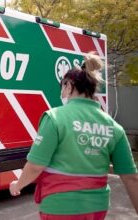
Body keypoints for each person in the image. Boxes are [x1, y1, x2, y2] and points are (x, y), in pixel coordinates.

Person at [9, 53, 138, 219]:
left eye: (62, 87)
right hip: (96, 208)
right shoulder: (114, 127)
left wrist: (17, 185)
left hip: (60, 206)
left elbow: (35, 166)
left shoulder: (54, 118)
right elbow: (131, 178)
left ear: (69, 86)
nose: (62, 92)